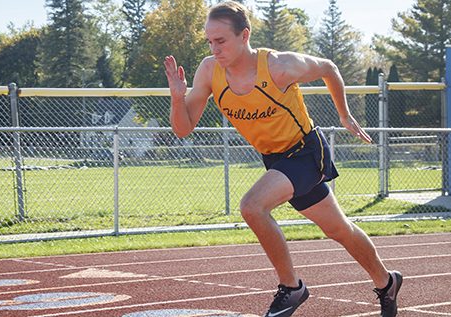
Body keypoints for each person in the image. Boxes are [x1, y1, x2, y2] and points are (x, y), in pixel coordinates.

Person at [163, 1, 401, 316]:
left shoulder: (279, 66)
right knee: (339, 229)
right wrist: (177, 98)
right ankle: (387, 282)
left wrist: (344, 115)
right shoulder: (209, 71)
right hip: (276, 160)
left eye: (221, 41)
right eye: (209, 41)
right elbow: (183, 128)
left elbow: (329, 68)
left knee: (252, 206)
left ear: (244, 35)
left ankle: (292, 287)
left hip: (306, 152)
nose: (214, 49)